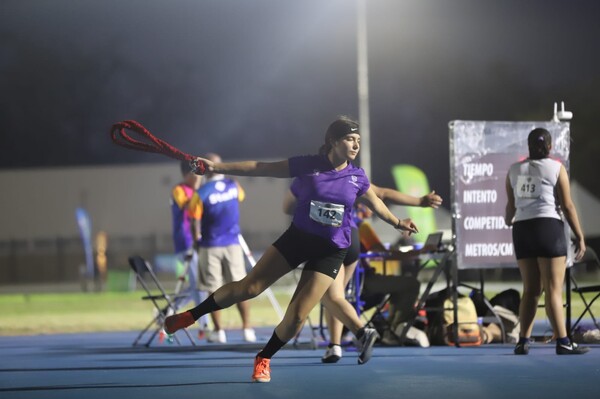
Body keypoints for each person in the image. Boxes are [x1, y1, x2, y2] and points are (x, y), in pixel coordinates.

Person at [164, 115, 418, 382]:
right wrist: (216, 168)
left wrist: (399, 221)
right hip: (297, 239)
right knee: (249, 288)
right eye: (349, 139)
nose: (355, 145)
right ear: (332, 141)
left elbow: (377, 204)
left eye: (357, 140)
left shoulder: (357, 176)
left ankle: (264, 358)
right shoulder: (308, 165)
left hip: (331, 251)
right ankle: (191, 316)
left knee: (297, 316)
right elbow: (259, 167)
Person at [283, 183, 442, 362]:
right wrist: (420, 202)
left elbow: (288, 207)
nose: (372, 209)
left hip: (333, 239)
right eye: (369, 205)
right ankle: (341, 343)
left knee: (332, 297)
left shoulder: (314, 175)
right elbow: (384, 193)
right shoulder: (352, 182)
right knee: (335, 297)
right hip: (355, 254)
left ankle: (357, 334)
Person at [505, 127, 589, 355]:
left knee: (530, 290)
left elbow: (509, 211)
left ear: (529, 146)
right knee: (553, 290)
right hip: (547, 228)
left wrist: (509, 219)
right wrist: (580, 236)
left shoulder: (513, 170)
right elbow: (568, 206)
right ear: (550, 146)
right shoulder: (556, 168)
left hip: (522, 230)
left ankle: (522, 341)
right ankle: (563, 341)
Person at [191, 152, 256, 343]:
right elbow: (241, 197)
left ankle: (219, 331)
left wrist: (196, 243)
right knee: (240, 288)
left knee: (213, 290)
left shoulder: (200, 193)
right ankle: (247, 329)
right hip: (233, 243)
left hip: (210, 245)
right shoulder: (233, 185)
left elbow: (195, 222)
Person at [168, 160, 209, 340]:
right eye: (196, 174)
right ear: (187, 174)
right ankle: (205, 325)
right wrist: (203, 192)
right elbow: (187, 206)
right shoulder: (179, 190)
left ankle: (168, 309)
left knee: (197, 285)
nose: (199, 178)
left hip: (199, 242)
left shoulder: (198, 191)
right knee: (199, 285)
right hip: (185, 242)